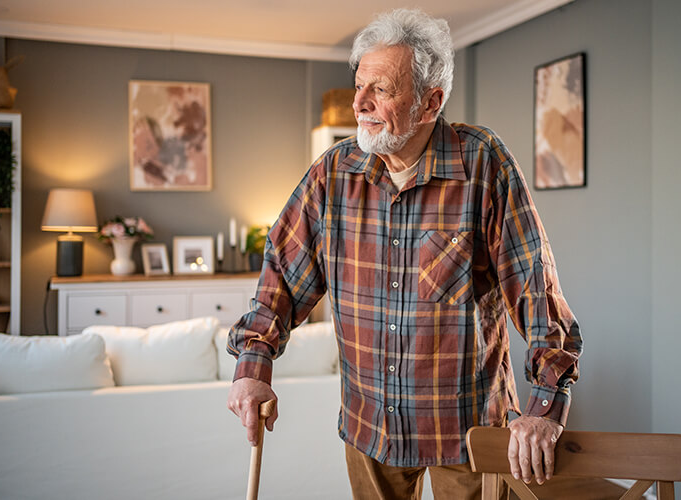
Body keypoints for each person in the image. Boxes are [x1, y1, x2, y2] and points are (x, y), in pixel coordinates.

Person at [227, 8, 582, 499]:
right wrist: (253, 367)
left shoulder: (482, 164)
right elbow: (282, 281)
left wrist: (544, 409)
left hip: (468, 435)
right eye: (358, 86)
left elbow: (537, 291)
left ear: (430, 101)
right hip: (369, 429)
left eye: (382, 90)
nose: (359, 103)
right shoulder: (333, 174)